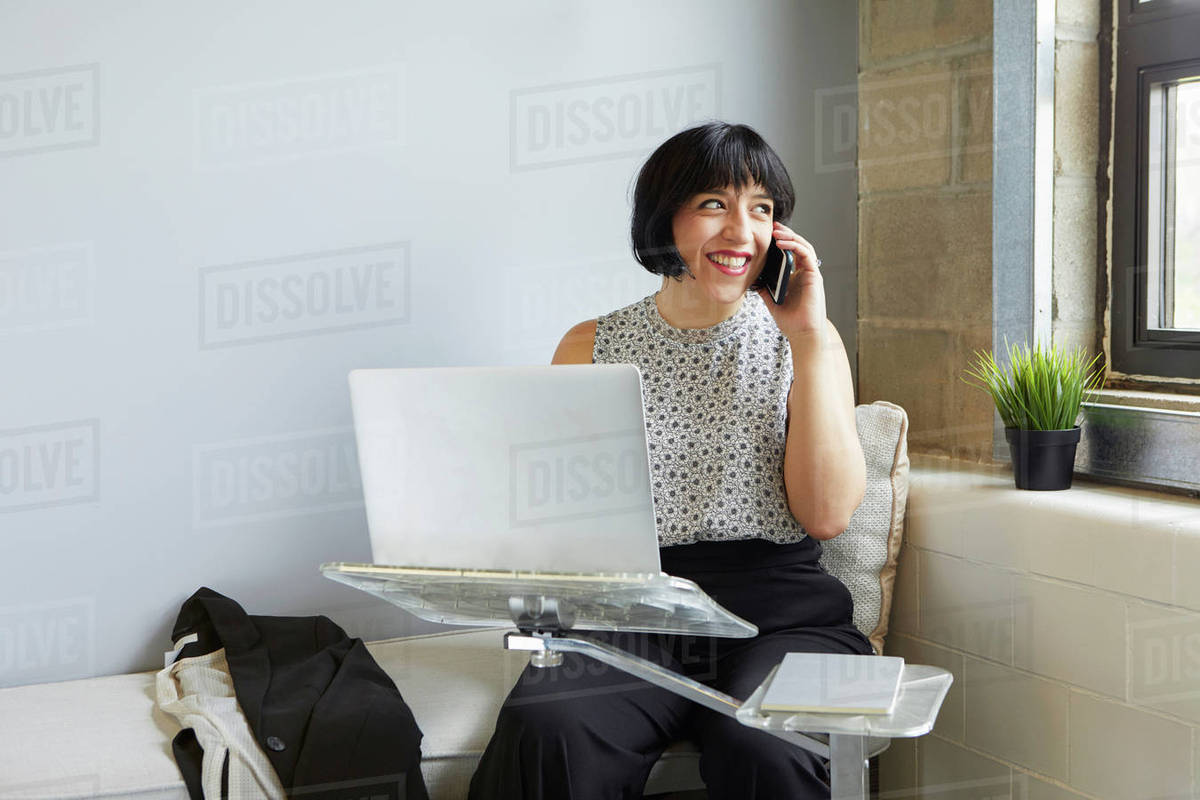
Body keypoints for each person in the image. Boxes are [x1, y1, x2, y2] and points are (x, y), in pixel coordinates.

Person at [468, 121, 871, 800]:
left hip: (781, 616)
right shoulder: (589, 345)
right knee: (552, 725)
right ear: (665, 216)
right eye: (714, 204)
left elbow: (827, 515)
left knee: (769, 741)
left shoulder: (811, 340)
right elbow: (559, 518)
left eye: (762, 209)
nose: (742, 231)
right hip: (633, 615)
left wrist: (805, 339)